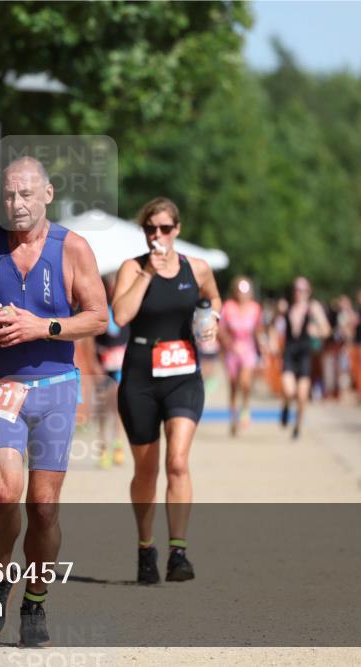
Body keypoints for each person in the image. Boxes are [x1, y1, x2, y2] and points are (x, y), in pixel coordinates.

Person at [0, 156, 107, 646]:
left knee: (43, 507)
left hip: (56, 388)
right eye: (9, 196)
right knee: (2, 492)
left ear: (48, 195)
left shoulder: (72, 249)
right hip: (0, 385)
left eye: (26, 195)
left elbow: (98, 316)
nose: (17, 205)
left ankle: (35, 599)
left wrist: (45, 327)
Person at [111, 197, 220, 585]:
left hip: (183, 375)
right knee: (146, 470)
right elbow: (121, 315)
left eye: (165, 228)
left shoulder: (198, 268)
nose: (158, 235)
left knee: (177, 462)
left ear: (177, 230)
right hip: (140, 377)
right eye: (150, 229)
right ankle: (146, 546)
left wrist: (211, 319)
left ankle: (178, 552)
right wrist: (147, 275)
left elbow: (211, 297)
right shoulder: (132, 268)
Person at [278, 276, 331, 440]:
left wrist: (315, 331)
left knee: (302, 395)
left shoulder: (313, 308)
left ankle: (297, 426)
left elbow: (326, 330)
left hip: (304, 355)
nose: (299, 293)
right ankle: (286, 407)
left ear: (308, 292)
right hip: (289, 353)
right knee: (289, 390)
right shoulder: (286, 307)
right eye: (296, 289)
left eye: (303, 290)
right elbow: (274, 328)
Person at [218, 276, 264, 435]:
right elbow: (221, 329)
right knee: (233, 386)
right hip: (232, 350)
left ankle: (245, 406)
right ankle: (233, 417)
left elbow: (258, 331)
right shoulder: (228, 307)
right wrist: (229, 344)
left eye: (245, 291)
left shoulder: (255, 308)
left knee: (245, 382)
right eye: (239, 290)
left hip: (248, 349)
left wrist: (263, 349)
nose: (242, 294)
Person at [93, 273, 129, 468]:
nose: (112, 290)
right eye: (109, 286)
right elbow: (92, 340)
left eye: (115, 286)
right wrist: (95, 361)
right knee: (103, 408)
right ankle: (103, 446)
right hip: (104, 366)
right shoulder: (100, 310)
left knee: (119, 407)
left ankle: (117, 445)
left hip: (121, 366)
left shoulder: (126, 310)